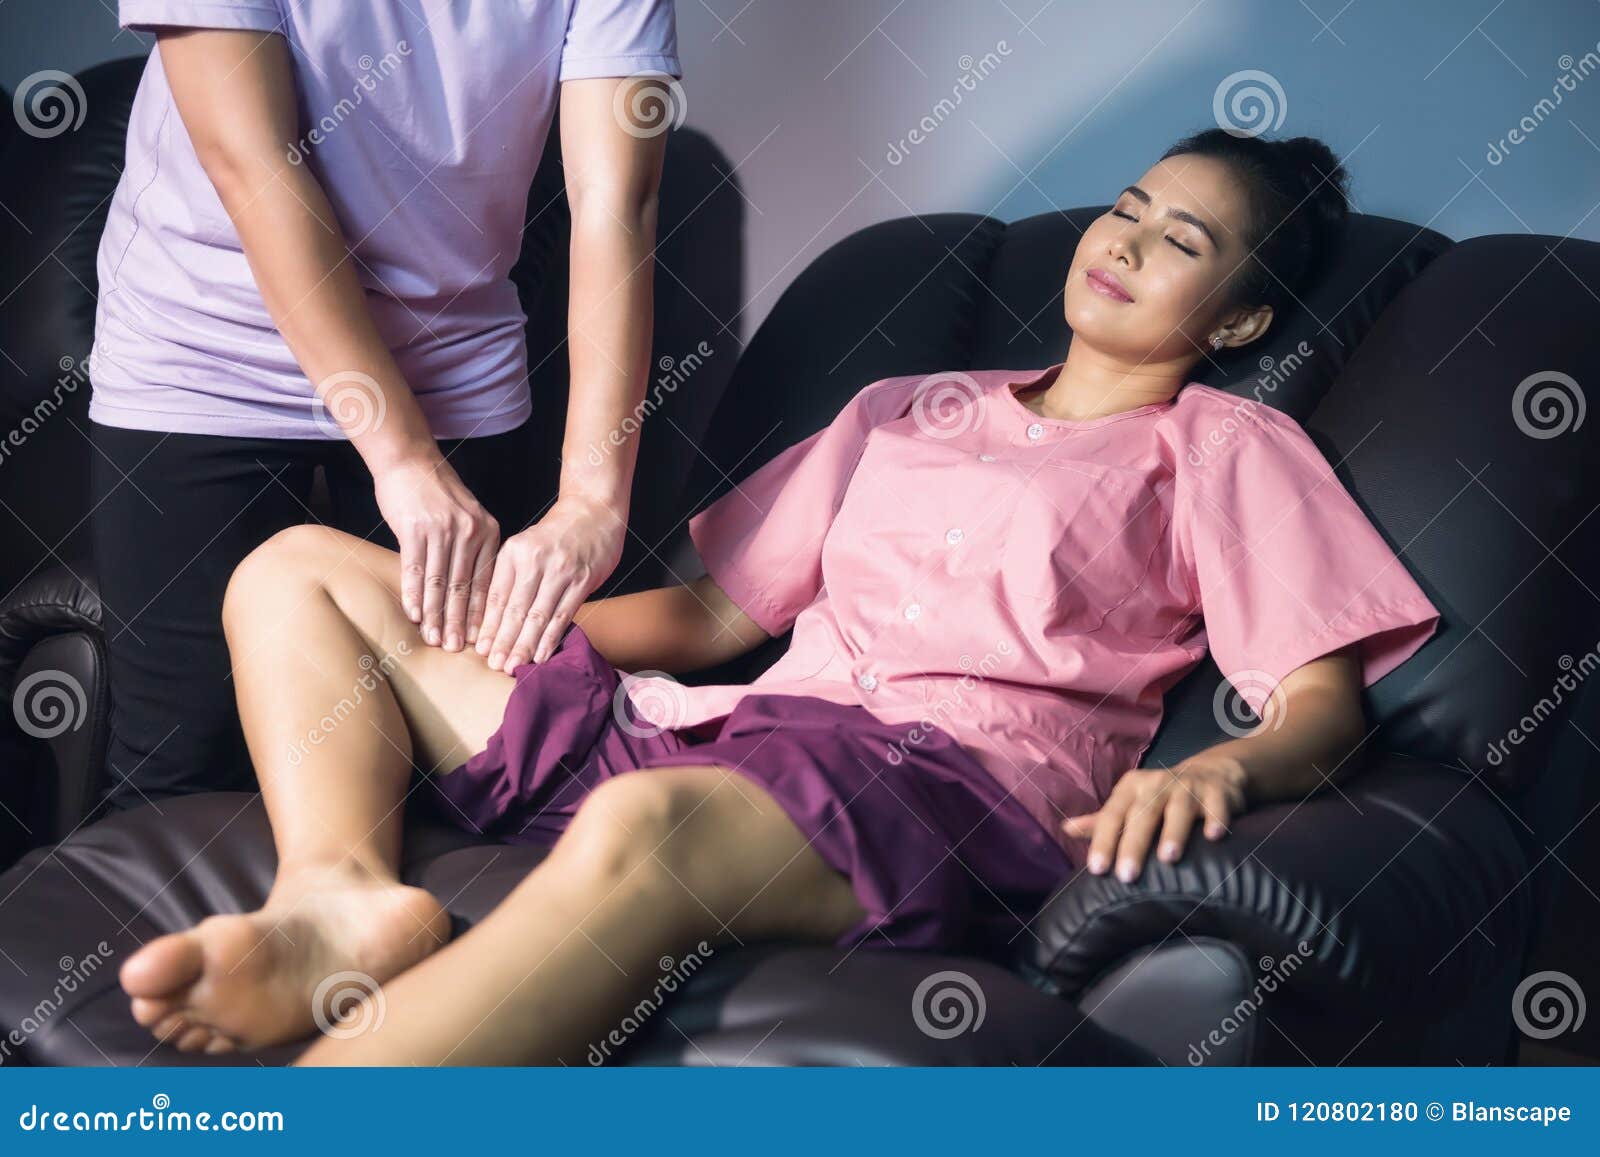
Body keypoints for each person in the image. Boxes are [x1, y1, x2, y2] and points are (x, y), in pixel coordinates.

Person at [115, 130, 1442, 1064]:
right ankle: (335, 892)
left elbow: (1319, 698)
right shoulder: (905, 410)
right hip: (726, 724)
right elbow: (705, 620)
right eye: (1132, 207)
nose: (1129, 241)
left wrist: (1234, 772)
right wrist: (497, 617)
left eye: (1184, 241)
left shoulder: (1217, 446)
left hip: (938, 786)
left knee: (651, 821)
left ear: (1237, 323)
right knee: (298, 572)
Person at [87, 1, 679, 807]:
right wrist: (399, 458)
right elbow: (251, 161)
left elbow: (615, 202)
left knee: (458, 768)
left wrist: (593, 502)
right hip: (210, 357)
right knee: (185, 773)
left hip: (453, 368)